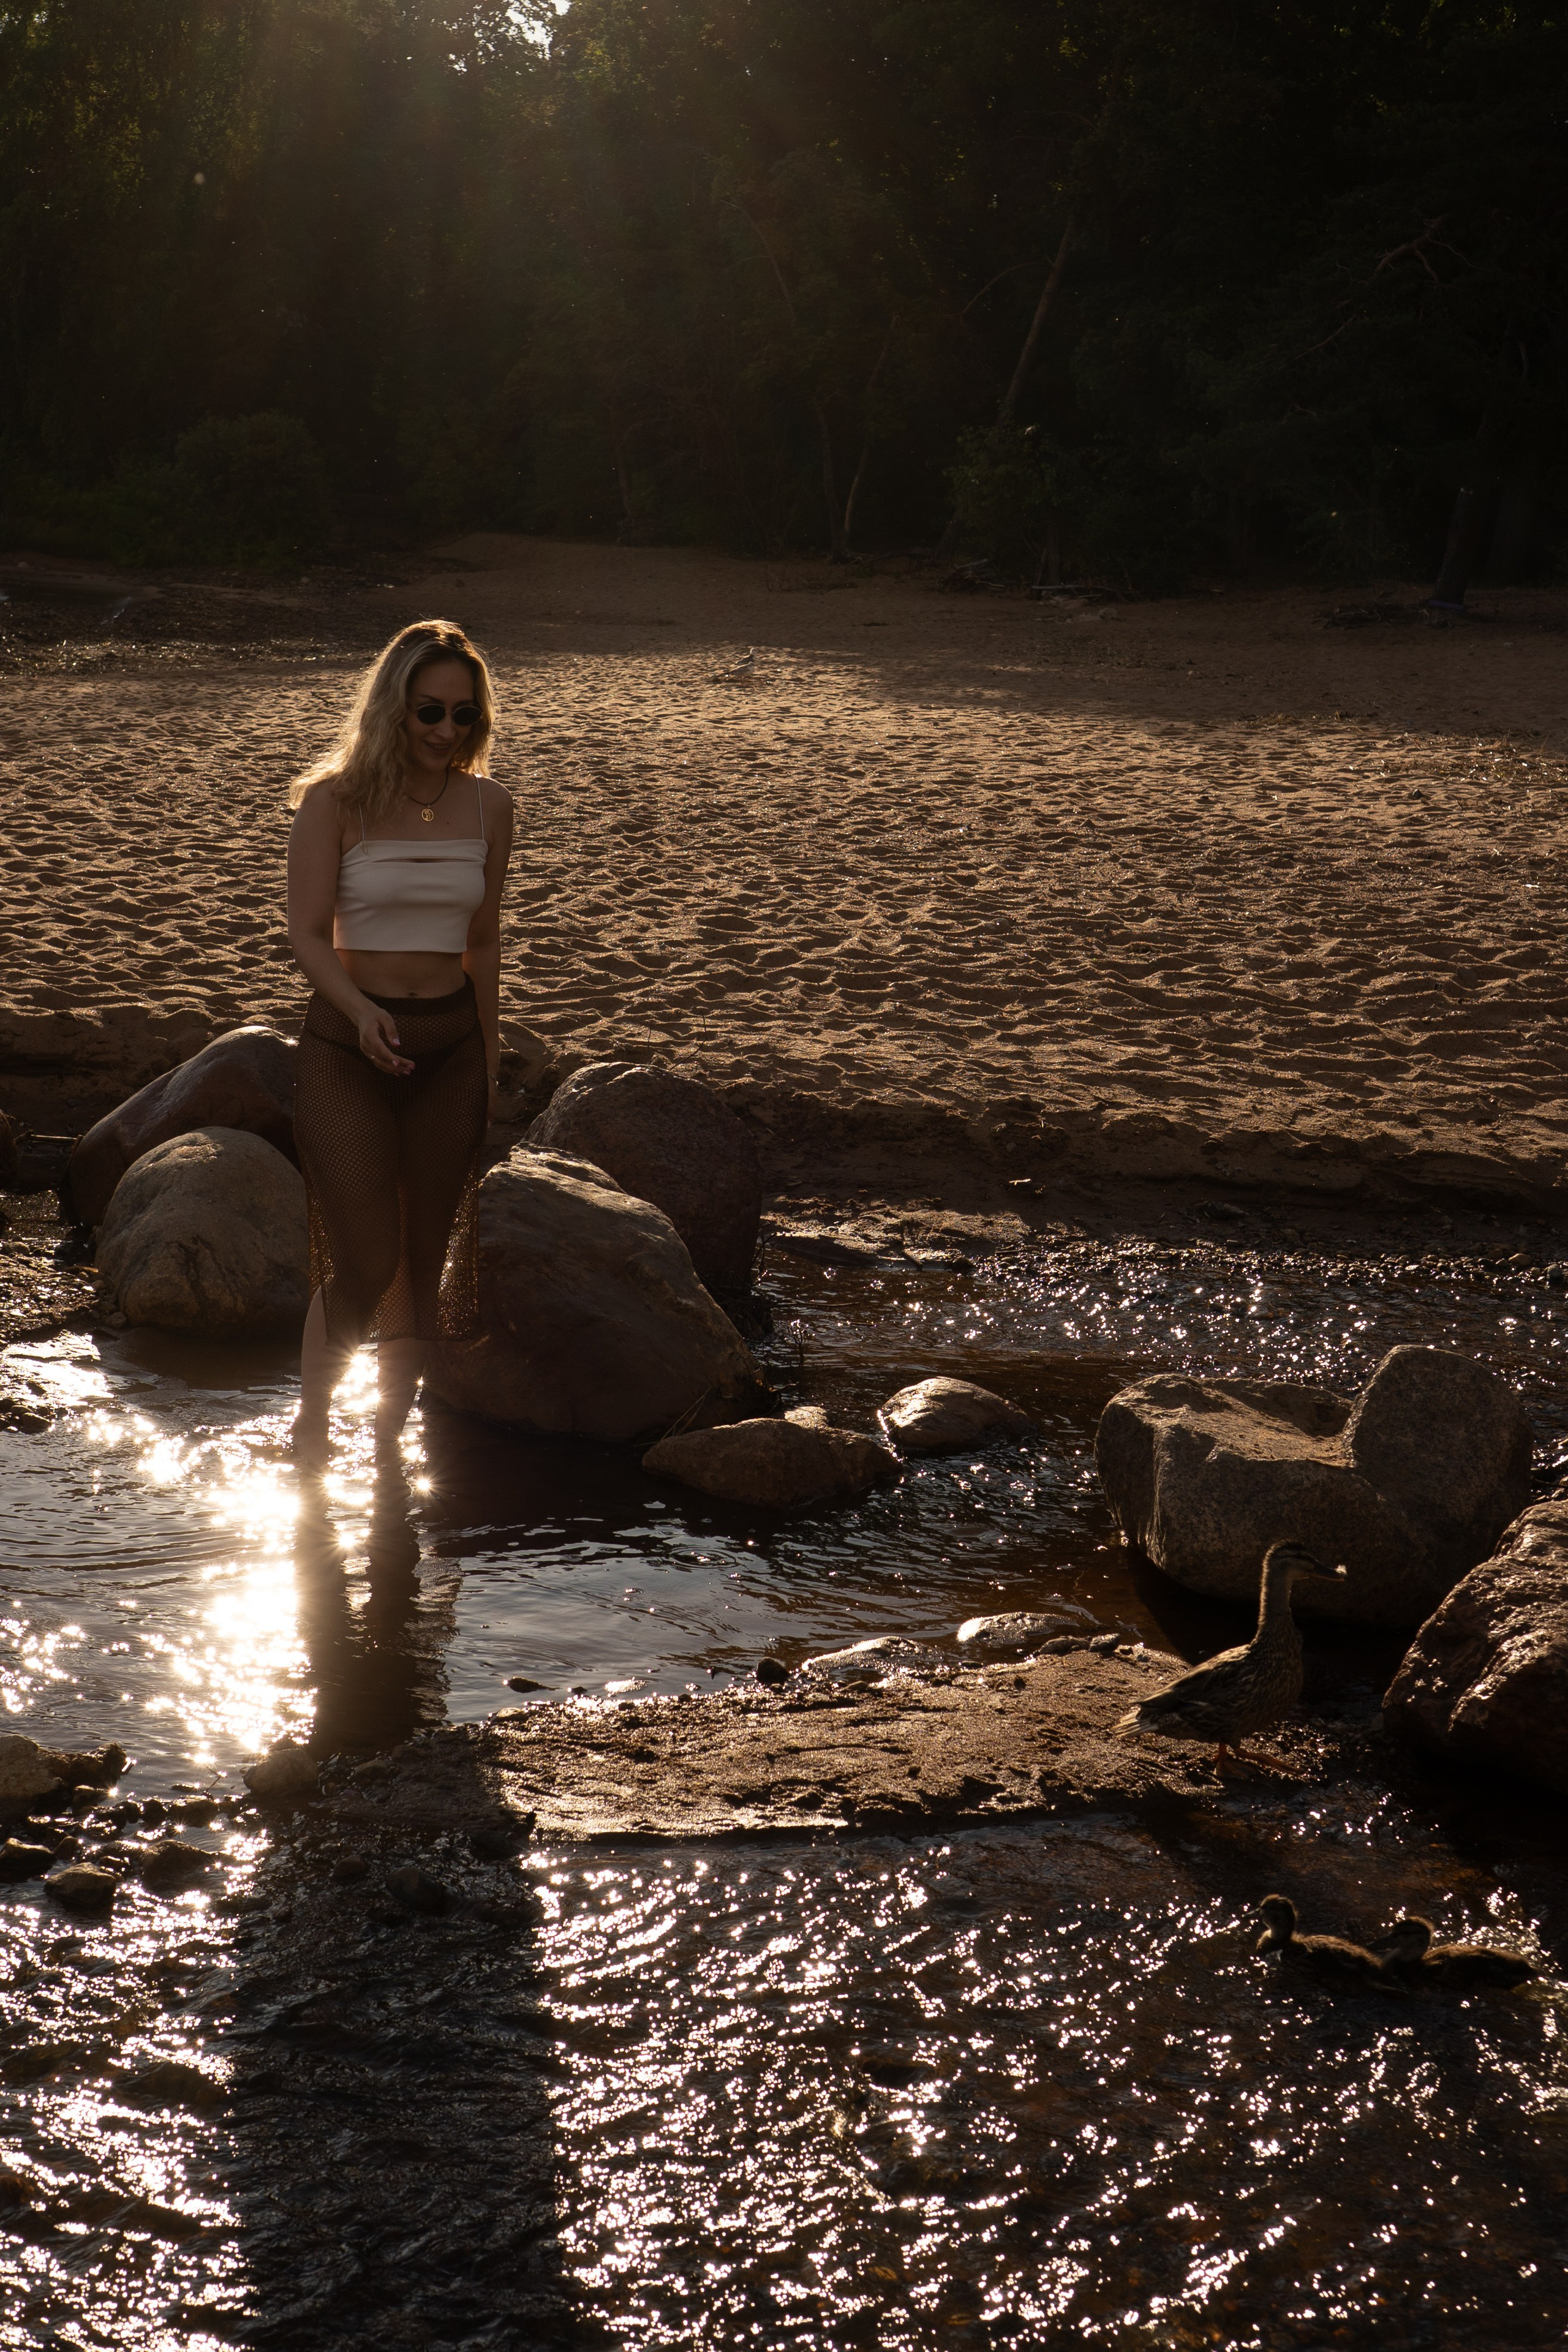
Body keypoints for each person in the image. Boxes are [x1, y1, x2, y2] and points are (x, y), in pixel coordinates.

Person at [285, 618, 514, 1468]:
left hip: (449, 1051)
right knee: (366, 1258)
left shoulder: (492, 806)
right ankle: (314, 1426)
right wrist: (356, 1010)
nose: (447, 733)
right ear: (395, 708)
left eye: (465, 716)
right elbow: (308, 934)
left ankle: (386, 1450)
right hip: (348, 1048)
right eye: (430, 713)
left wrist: (487, 1058)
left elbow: (482, 943)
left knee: (422, 1260)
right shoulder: (334, 801)